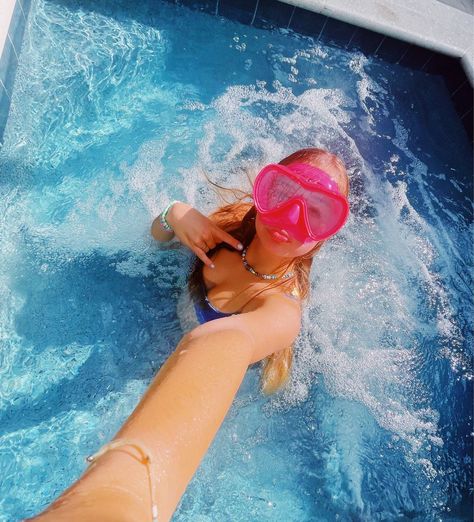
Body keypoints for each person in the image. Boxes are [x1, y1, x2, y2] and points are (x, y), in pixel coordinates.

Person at [27, 147, 350, 522]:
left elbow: (228, 343)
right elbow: (153, 239)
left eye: (316, 212)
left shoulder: (280, 311)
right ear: (264, 192)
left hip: (211, 381)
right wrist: (174, 214)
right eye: (283, 192)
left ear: (324, 237)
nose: (290, 217)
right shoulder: (229, 226)